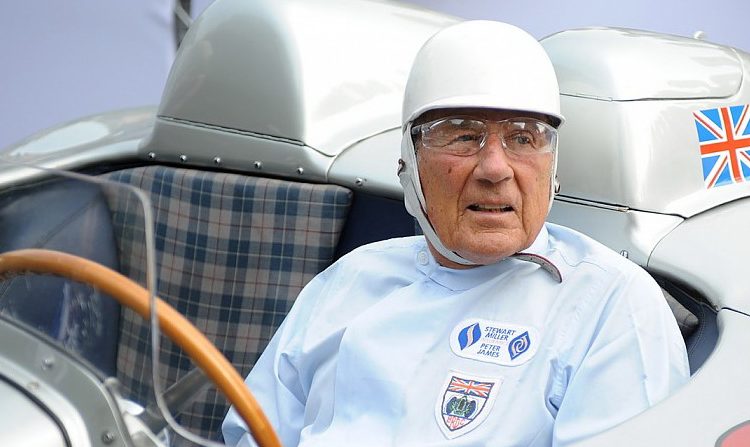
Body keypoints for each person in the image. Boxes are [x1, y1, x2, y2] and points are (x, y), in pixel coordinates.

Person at [222, 20, 689, 446]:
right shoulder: (351, 278)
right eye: (463, 136)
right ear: (410, 164)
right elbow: (253, 433)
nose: (495, 168)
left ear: (552, 167)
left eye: (523, 138)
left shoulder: (611, 305)